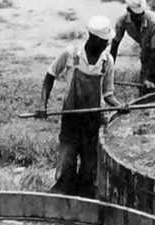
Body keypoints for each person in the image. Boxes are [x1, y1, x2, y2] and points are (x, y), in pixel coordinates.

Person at [37, 15, 126, 198]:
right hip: (71, 118)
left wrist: (119, 106)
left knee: (89, 169)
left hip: (92, 121)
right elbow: (50, 75)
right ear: (93, 39)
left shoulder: (106, 61)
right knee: (66, 164)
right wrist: (42, 104)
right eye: (104, 42)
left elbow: (108, 93)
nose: (106, 46)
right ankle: (61, 194)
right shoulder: (71, 54)